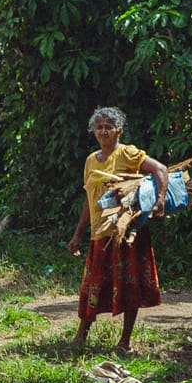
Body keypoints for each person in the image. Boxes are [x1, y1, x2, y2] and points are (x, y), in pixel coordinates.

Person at [66, 106, 168, 354]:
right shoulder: (91, 160)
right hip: (100, 234)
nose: (103, 131)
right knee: (93, 284)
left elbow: (161, 170)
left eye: (108, 127)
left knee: (129, 287)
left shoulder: (128, 153)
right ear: (94, 131)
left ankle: (125, 340)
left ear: (118, 130)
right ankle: (82, 334)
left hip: (126, 232)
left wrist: (160, 200)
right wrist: (78, 234)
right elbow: (89, 200)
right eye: (99, 127)